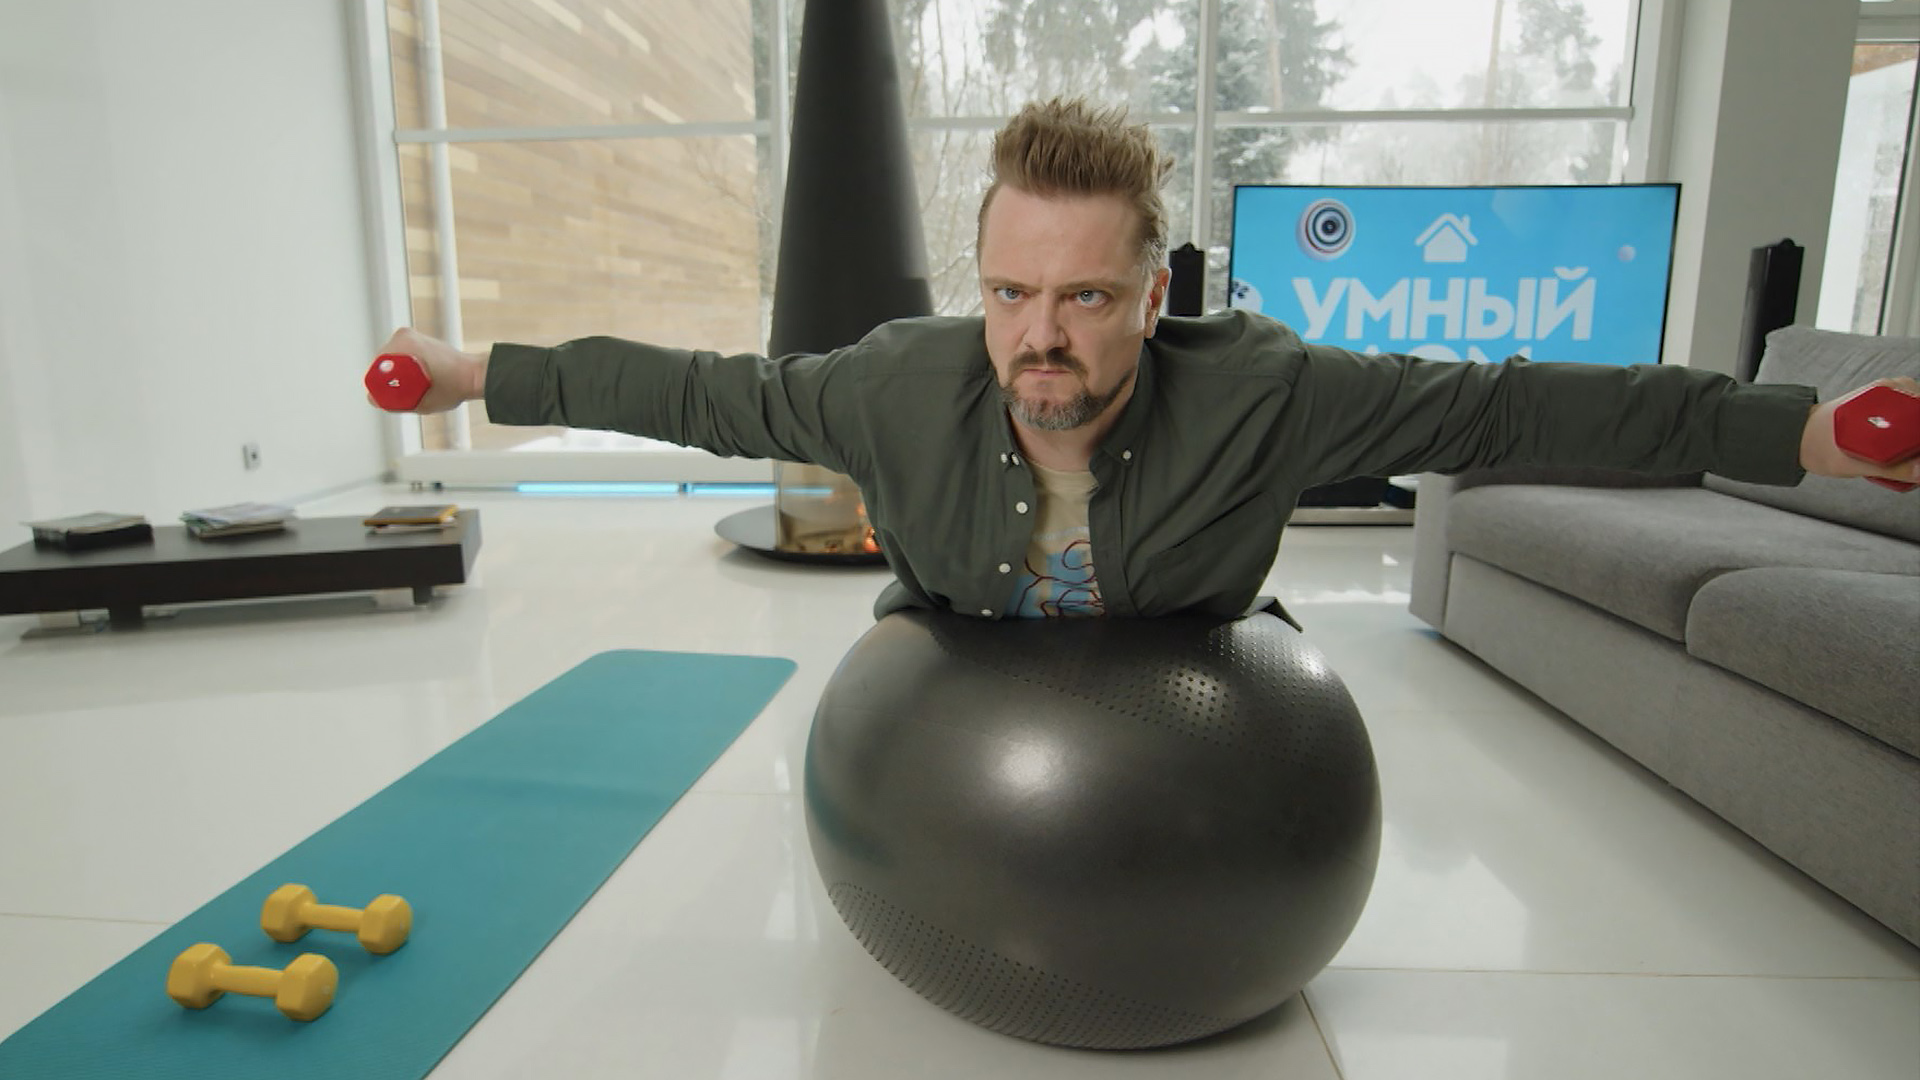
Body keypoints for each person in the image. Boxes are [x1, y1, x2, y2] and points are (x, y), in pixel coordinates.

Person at [371, 98, 1919, 623]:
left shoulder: (1263, 392)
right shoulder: (894, 384)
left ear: (1154, 291)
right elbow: (699, 390)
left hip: (1184, 707)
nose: (1040, 334)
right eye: (1009, 292)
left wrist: (1803, 434)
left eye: (1087, 298)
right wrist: (471, 370)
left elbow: (1511, 405)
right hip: (960, 685)